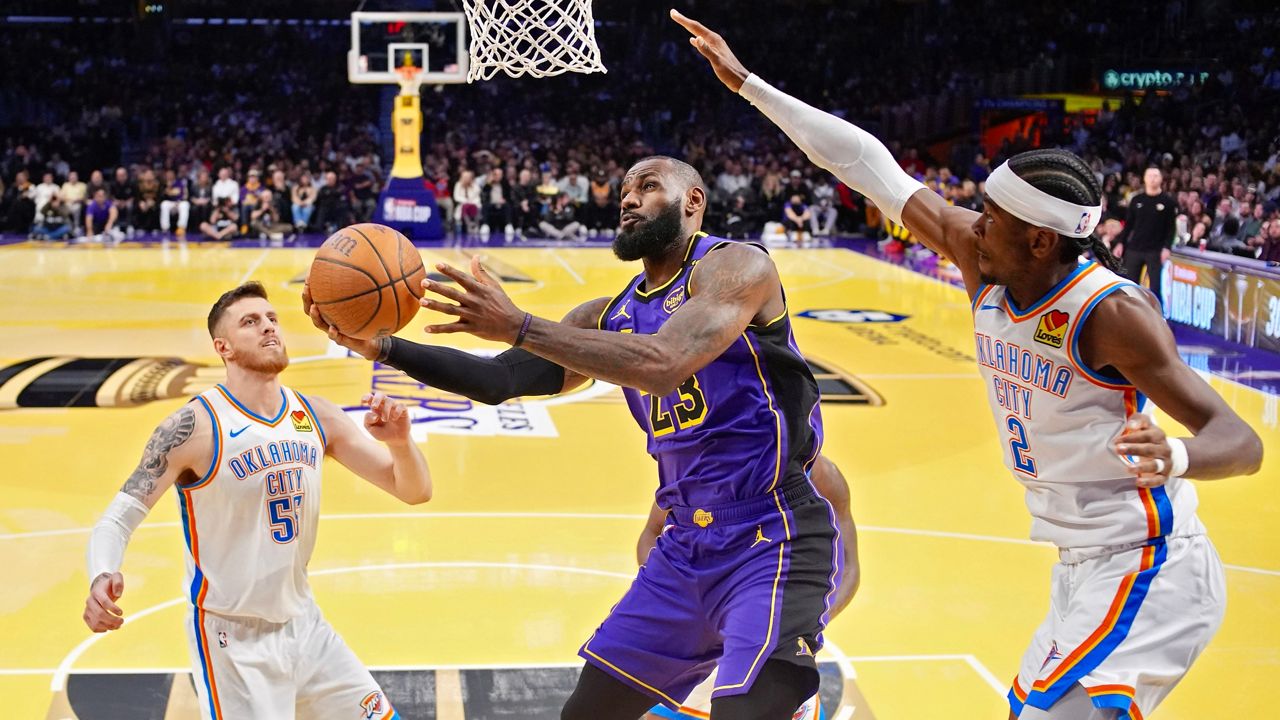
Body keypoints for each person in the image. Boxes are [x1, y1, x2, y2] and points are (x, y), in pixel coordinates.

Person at [672, 9, 1263, 720]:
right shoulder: (986, 258)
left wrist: (1175, 454)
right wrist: (751, 86)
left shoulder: (1111, 314)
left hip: (1150, 562)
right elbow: (866, 164)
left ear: (1042, 242)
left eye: (990, 219)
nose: (969, 226)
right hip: (1081, 565)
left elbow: (1243, 440)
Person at [306, 154, 842, 720]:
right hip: (685, 547)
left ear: (693, 202)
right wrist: (383, 348)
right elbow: (499, 378)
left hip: (771, 535)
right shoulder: (607, 317)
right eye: (625, 191)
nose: (628, 199)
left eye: (649, 186)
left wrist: (520, 324)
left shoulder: (737, 267)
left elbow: (665, 363)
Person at [82, 281, 430, 720]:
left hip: (306, 625)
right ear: (222, 347)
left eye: (272, 319)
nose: (268, 328)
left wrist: (400, 443)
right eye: (251, 321)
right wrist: (101, 574)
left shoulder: (315, 415)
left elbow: (413, 491)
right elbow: (118, 518)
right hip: (234, 643)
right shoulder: (194, 427)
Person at [639, 454, 860, 720]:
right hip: (701, 633)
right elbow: (652, 532)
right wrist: (676, 595)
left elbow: (849, 567)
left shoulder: (822, 476)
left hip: (776, 636)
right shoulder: (700, 466)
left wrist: (809, 619)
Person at [1112, 168, 1176, 306]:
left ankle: (1159, 318)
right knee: (1130, 285)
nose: (1153, 178)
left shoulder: (1168, 202)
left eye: (1156, 175)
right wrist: (1121, 243)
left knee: (1155, 288)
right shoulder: (1137, 200)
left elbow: (1171, 228)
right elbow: (1129, 225)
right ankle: (1130, 314)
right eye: (1150, 175)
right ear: (1144, 179)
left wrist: (1167, 247)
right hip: (1134, 248)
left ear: (1161, 179)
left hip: (1155, 250)